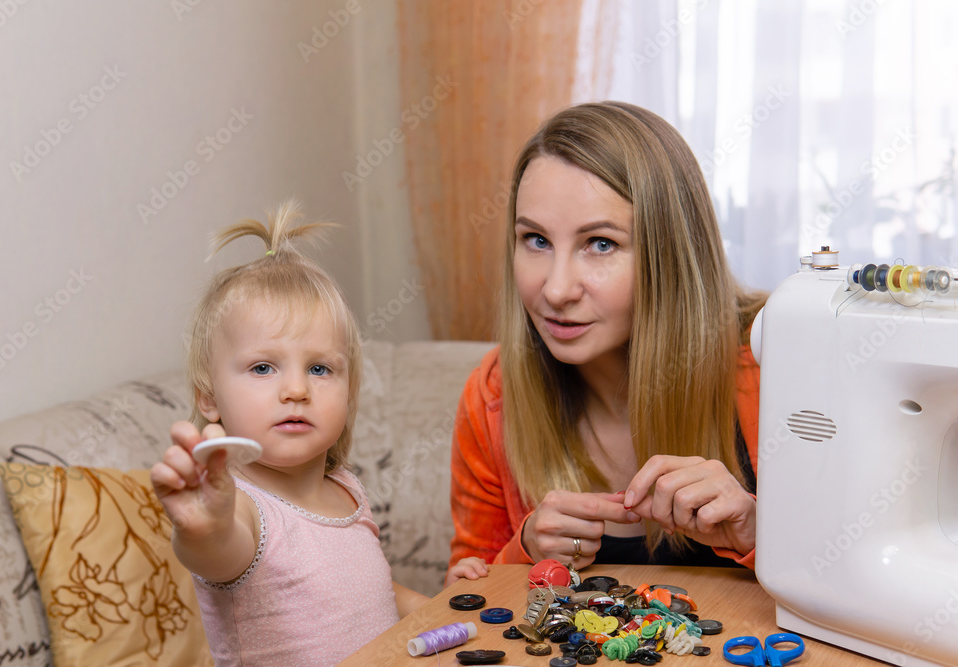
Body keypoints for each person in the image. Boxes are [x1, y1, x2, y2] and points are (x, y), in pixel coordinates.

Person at [446, 102, 767, 586]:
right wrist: (525, 549)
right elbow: (463, 597)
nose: (555, 290)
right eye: (535, 240)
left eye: (600, 244)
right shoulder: (492, 397)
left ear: (670, 253)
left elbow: (863, 583)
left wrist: (757, 531)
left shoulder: (772, 363)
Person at [151, 201, 428, 666]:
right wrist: (205, 527)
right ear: (209, 397)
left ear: (349, 390)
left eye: (320, 368)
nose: (297, 389)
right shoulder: (242, 508)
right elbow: (219, 550)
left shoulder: (346, 489)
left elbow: (377, 592)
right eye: (263, 367)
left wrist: (460, 609)